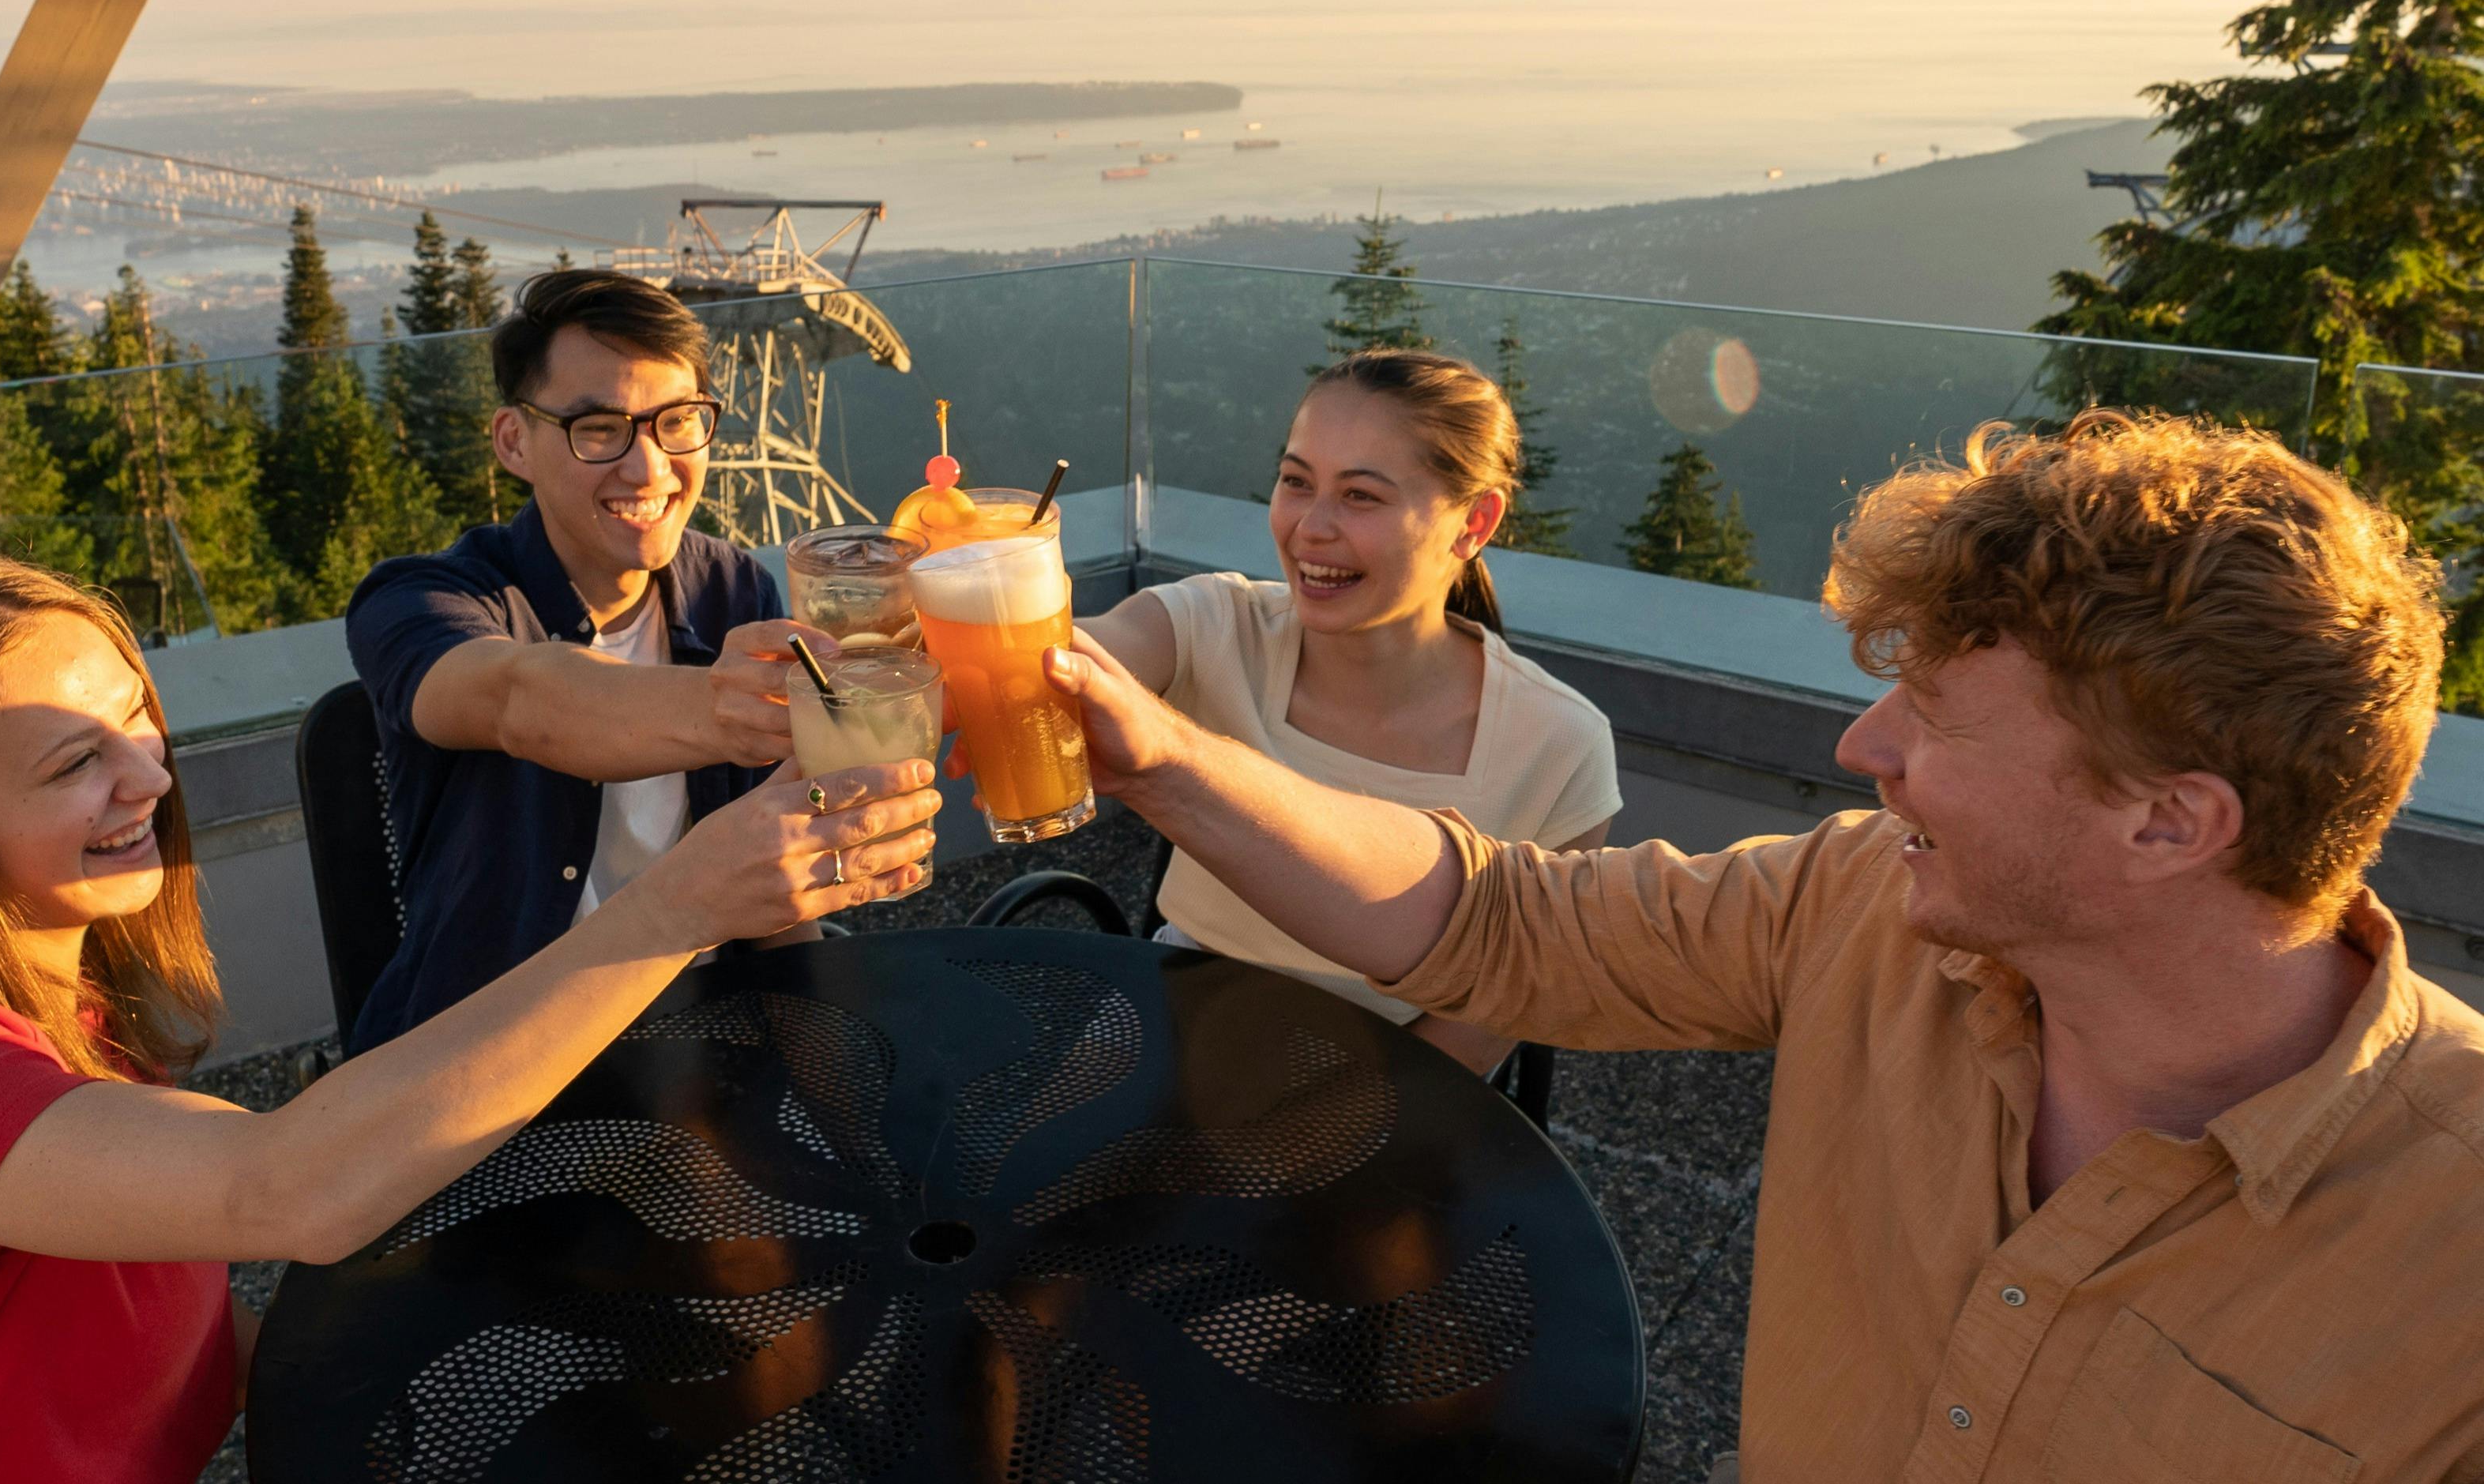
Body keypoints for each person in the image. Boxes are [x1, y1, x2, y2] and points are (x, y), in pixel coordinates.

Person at [1046, 411, 2484, 1482]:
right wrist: (1164, 758)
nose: (1865, 748)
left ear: (2171, 823)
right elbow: (1499, 917)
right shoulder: (1857, 907)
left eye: (1937, 718)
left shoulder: (2450, 1245)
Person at [0, 552, 934, 1482]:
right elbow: (284, 1190)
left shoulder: (62, 1014)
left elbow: (169, 1337)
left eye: (135, 720)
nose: (151, 780)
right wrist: (679, 904)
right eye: (75, 763)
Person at [1078, 348, 1616, 1073]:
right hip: (1165, 1035)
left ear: (1473, 522)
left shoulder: (1558, 748)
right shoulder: (1212, 624)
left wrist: (1326, 1137)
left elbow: (1491, 1015)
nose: (1310, 528)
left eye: (1360, 495)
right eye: (1296, 481)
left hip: (1388, 1085)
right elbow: (1076, 660)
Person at [344, 268, 817, 1053]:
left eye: (678, 421)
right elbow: (517, 700)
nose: (649, 467)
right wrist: (721, 707)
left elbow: (772, 886)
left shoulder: (734, 589)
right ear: (514, 441)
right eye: (600, 427)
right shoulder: (418, 599)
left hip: (704, 1049)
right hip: (475, 1065)